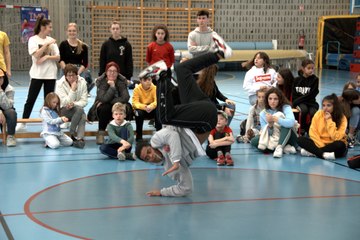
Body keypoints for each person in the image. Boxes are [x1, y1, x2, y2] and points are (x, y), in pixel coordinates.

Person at [135, 34, 232, 197]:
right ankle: (162, 76)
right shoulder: (170, 170)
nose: (151, 156)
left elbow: (172, 135)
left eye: (148, 151)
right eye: (147, 158)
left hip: (198, 108)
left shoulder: (156, 140)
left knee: (182, 69)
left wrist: (176, 160)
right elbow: (186, 188)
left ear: (151, 146)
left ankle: (219, 53)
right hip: (205, 121)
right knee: (165, 117)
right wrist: (162, 192)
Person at [16, 16, 60, 132]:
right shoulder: (33, 40)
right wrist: (46, 45)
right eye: (49, 27)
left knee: (50, 101)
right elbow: (35, 55)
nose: (51, 29)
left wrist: (46, 57)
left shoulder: (52, 40)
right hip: (37, 75)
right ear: (43, 27)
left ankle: (50, 122)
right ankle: (23, 122)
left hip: (50, 75)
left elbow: (58, 57)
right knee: (30, 99)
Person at [87, 61, 131, 145]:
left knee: (123, 108)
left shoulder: (121, 82)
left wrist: (113, 102)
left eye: (115, 71)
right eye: (110, 71)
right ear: (106, 72)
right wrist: (112, 87)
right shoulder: (102, 82)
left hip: (118, 104)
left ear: (118, 73)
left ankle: (122, 132)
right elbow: (102, 98)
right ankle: (101, 133)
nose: (112, 73)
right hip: (105, 106)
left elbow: (126, 97)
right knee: (104, 107)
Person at [250, 87, 298, 158]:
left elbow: (291, 123)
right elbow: (266, 133)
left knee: (284, 123)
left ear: (280, 99)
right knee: (254, 141)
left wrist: (277, 120)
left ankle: (279, 147)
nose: (272, 101)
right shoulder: (263, 113)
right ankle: (285, 148)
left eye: (275, 99)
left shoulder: (286, 107)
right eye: (270, 99)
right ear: (267, 100)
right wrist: (270, 125)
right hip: (273, 138)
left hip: (289, 137)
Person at [297, 94, 347, 160]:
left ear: (335, 106)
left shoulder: (342, 118)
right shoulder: (318, 114)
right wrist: (321, 145)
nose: (325, 108)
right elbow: (313, 133)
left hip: (333, 144)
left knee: (341, 145)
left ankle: (313, 152)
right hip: (319, 143)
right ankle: (323, 154)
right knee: (300, 139)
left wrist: (329, 120)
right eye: (323, 105)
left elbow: (337, 137)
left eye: (328, 105)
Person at [55, 64, 88, 148]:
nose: (71, 77)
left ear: (77, 75)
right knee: (81, 112)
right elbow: (64, 102)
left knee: (81, 114)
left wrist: (74, 104)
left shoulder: (82, 82)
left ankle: (79, 139)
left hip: (77, 109)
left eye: (73, 75)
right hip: (64, 110)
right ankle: (72, 134)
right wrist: (73, 90)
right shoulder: (59, 84)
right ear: (65, 76)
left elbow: (84, 101)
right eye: (68, 75)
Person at [59, 23, 94, 95]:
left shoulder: (83, 46)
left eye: (74, 31)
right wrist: (67, 71)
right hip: (65, 69)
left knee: (80, 91)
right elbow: (61, 60)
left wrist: (76, 74)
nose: (72, 33)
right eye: (70, 31)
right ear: (67, 32)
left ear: (77, 32)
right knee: (63, 91)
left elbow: (85, 63)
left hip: (79, 70)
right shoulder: (63, 44)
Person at [292, 59, 319, 135]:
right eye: (309, 68)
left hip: (310, 102)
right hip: (300, 102)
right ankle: (302, 128)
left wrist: (297, 101)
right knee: (303, 110)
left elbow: (312, 94)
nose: (311, 70)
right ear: (303, 69)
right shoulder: (296, 80)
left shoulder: (315, 79)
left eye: (312, 68)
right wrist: (296, 102)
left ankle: (310, 129)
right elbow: (294, 94)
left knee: (313, 112)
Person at [132, 72, 161, 141]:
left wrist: (151, 106)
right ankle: (139, 136)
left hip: (152, 108)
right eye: (145, 80)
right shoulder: (137, 89)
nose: (148, 82)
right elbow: (135, 103)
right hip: (142, 109)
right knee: (138, 113)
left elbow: (157, 101)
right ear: (141, 81)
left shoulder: (155, 88)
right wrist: (145, 107)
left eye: (149, 79)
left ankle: (159, 133)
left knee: (159, 110)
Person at [0, 69, 17, 146]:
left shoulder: (9, 89)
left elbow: (7, 106)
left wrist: (0, 92)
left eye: (1, 78)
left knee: (12, 113)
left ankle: (11, 136)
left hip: (6, 109)